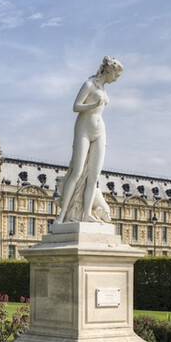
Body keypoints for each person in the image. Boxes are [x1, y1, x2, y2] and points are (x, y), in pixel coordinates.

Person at [56, 56, 123, 223]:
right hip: (83, 129)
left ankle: (87, 213)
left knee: (94, 176)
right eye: (116, 75)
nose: (116, 79)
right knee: (77, 171)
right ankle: (63, 215)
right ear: (109, 70)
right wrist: (93, 105)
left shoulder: (103, 89)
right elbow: (76, 106)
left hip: (100, 131)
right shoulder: (89, 84)